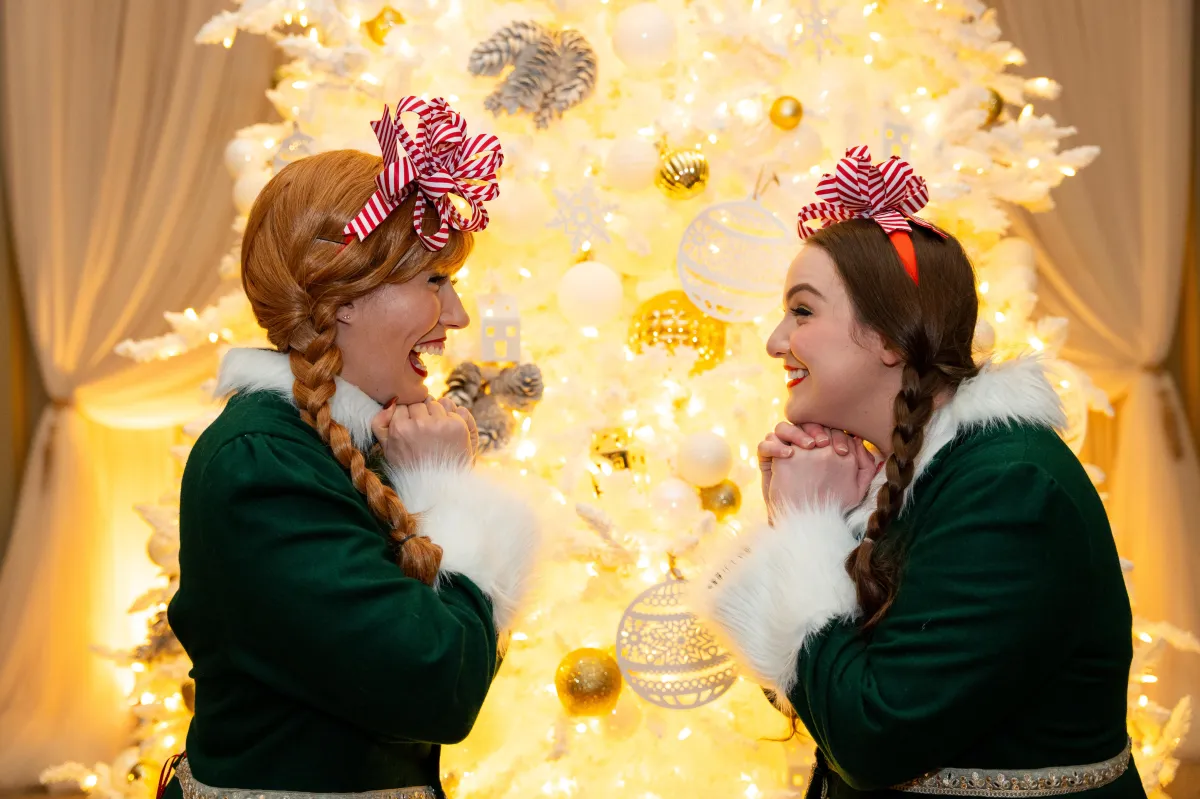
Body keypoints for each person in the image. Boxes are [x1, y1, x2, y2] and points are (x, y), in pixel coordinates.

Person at [695, 147, 1141, 798]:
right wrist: (832, 528)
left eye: (803, 310)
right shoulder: (919, 477)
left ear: (890, 337)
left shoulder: (1011, 489)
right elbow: (828, 695)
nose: (775, 340)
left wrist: (805, 531)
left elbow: (875, 734)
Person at [160, 98, 539, 799]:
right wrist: (444, 487)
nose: (456, 315)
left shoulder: (338, 445)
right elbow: (438, 681)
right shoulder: (262, 463)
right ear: (341, 299)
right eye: (435, 281)